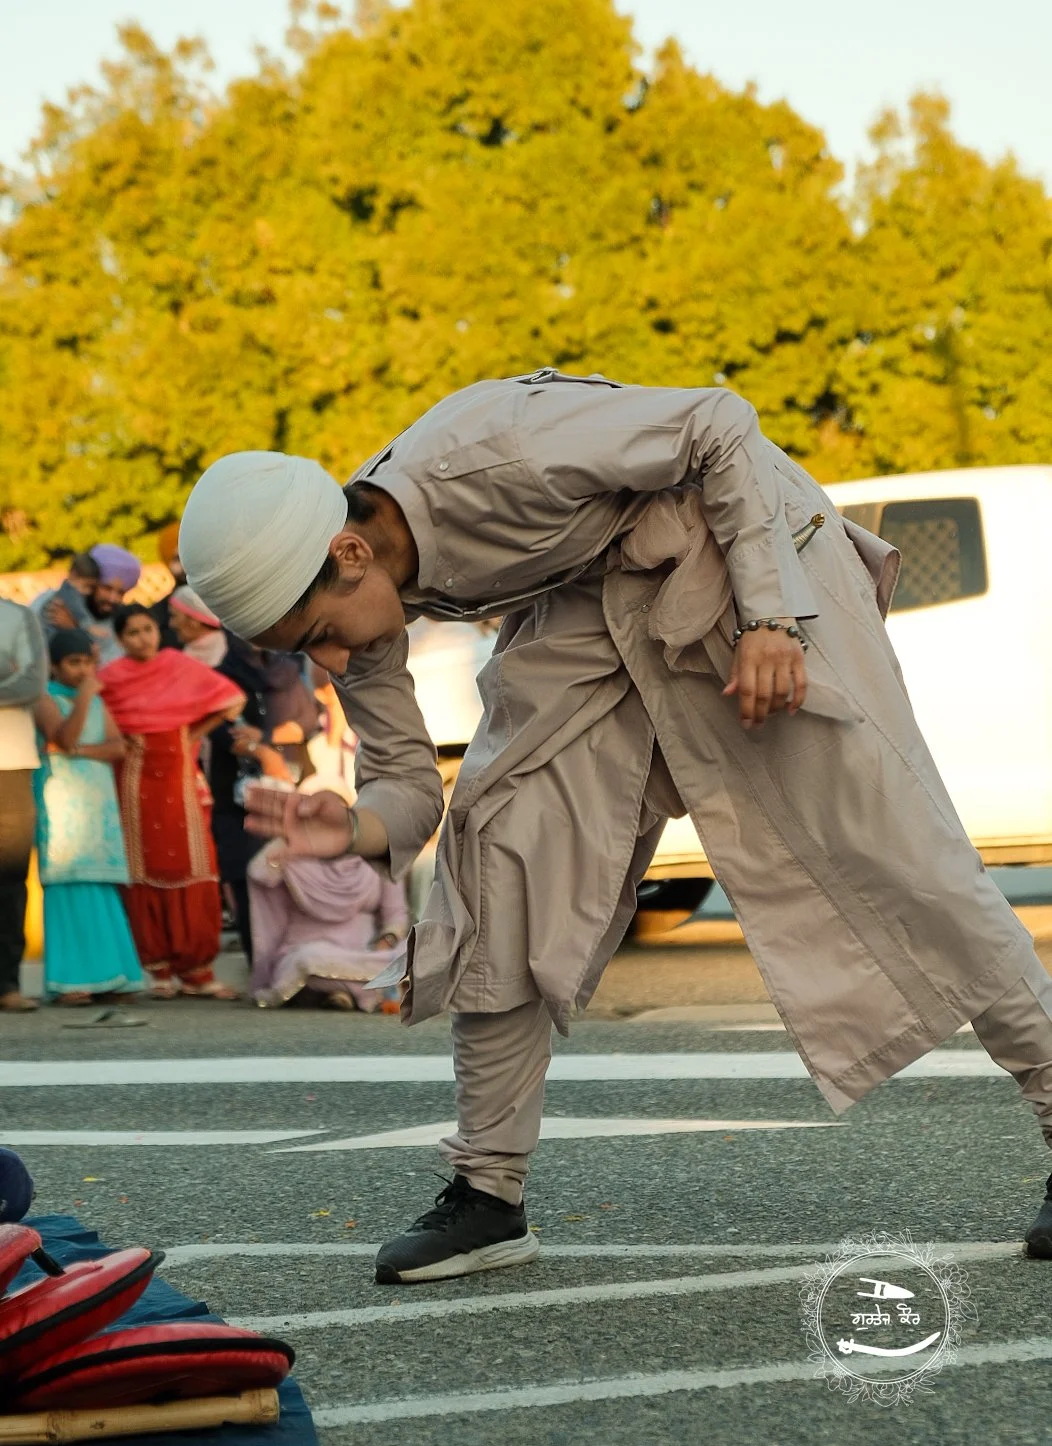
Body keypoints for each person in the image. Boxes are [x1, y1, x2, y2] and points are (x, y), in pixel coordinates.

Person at [178, 367, 1052, 1284]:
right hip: (595, 602)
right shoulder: (356, 602)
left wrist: (771, 621)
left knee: (905, 857)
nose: (330, 659)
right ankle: (487, 1193)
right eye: (300, 651)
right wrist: (348, 828)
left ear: (350, 554)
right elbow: (408, 788)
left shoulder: (493, 452)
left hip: (746, 558)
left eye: (320, 632)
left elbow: (718, 425)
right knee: (500, 852)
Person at [98, 604, 244, 998]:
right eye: (133, 633)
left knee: (193, 865)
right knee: (142, 871)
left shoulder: (177, 665)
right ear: (120, 639)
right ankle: (158, 970)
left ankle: (196, 972)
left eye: (148, 629)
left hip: (179, 776)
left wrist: (192, 734)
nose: (143, 638)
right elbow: (98, 718)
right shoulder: (110, 678)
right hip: (133, 781)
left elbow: (228, 699)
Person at [32, 629, 145, 1005]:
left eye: (87, 662)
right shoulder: (44, 699)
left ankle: (113, 976)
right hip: (62, 806)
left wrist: (81, 748)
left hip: (97, 806)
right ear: (55, 665)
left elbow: (117, 747)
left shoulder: (97, 702)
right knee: (69, 885)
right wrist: (82, 700)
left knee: (99, 884)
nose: (82, 670)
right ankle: (71, 982)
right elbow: (64, 738)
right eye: (73, 663)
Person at [248, 832, 408, 1010]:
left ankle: (344, 992)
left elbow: (396, 914)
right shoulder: (294, 853)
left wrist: (387, 940)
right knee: (308, 961)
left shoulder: (378, 857)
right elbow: (259, 872)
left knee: (415, 955)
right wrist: (286, 841)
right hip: (310, 952)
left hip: (367, 952)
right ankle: (372, 991)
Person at [0, 596, 47, 1013]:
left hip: (11, 762)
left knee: (11, 880)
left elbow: (32, 682)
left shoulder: (16, 617)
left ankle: (7, 984)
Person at [85, 544, 142, 665]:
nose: (112, 599)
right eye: (107, 588)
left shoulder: (122, 623)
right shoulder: (57, 604)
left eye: (120, 592)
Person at [31, 553, 100, 635]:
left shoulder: (60, 592)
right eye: (86, 586)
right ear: (73, 575)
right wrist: (90, 627)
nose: (88, 592)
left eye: (92, 588)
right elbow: (79, 613)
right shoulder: (69, 592)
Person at [151, 523, 187, 650]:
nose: (185, 566)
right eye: (178, 559)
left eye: (189, 557)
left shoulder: (224, 600)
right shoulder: (158, 614)